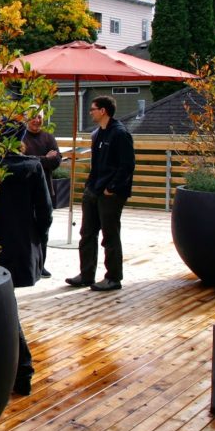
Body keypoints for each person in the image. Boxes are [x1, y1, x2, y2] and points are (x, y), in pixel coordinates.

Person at [0, 140, 54, 396]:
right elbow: (45, 210)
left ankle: (22, 370)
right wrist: (39, 241)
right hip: (20, 245)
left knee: (0, 306)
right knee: (3, 306)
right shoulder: (31, 167)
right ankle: (21, 371)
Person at [66, 95, 135, 292]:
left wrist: (111, 188)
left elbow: (127, 165)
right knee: (87, 233)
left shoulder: (120, 134)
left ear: (103, 111)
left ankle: (113, 278)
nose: (90, 112)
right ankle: (86, 275)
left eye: (93, 109)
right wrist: (90, 186)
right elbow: (96, 164)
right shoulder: (97, 134)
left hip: (110, 194)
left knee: (110, 235)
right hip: (93, 190)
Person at [20, 109, 61, 277]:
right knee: (24, 229)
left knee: (43, 229)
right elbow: (23, 163)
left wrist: (38, 160)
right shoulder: (20, 137)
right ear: (25, 119)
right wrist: (45, 159)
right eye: (32, 117)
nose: (36, 120)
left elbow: (57, 160)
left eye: (39, 117)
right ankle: (26, 264)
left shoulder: (48, 137)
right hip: (25, 193)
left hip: (45, 190)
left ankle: (41, 265)